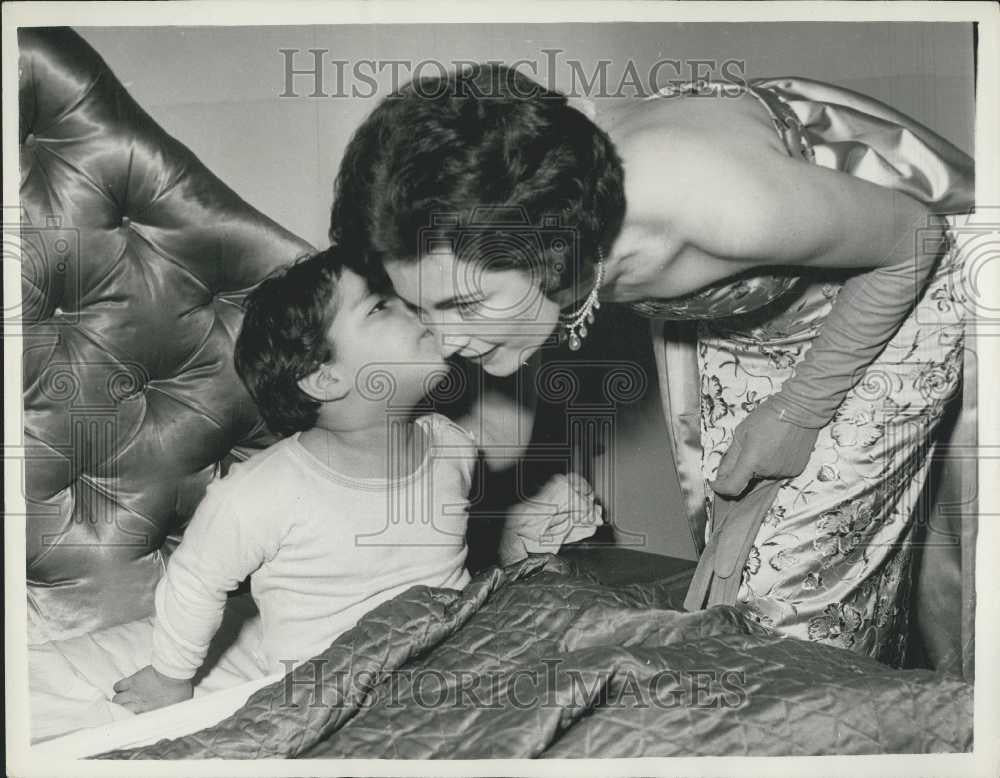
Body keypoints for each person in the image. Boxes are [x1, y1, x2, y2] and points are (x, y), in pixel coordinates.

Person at [328, 65, 972, 666]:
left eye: (464, 304)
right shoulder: (518, 220)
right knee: (736, 574)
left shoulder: (722, 206)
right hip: (758, 308)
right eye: (420, 308)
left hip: (902, 273)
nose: (444, 340)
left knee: (793, 602)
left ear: (555, 250)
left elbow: (915, 241)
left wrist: (799, 412)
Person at [111, 247, 601, 714]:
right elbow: (196, 580)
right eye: (381, 307)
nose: (419, 312)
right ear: (325, 379)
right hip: (335, 687)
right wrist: (169, 677)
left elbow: (507, 433)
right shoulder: (262, 492)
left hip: (452, 660)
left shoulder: (449, 446)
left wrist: (520, 326)